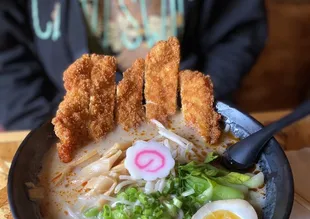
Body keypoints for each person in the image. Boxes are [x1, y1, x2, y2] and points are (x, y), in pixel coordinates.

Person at [0, 0, 267, 130]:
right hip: (56, 113)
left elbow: (238, 34)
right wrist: (40, 129)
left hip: (189, 112)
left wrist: (197, 108)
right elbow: (6, 59)